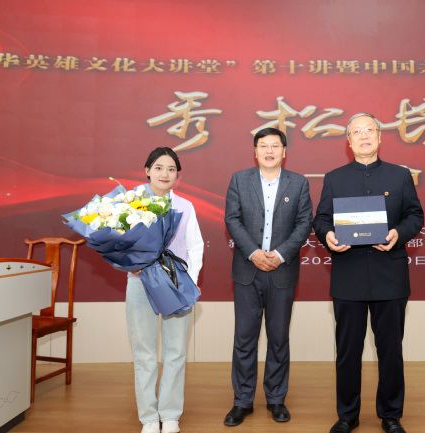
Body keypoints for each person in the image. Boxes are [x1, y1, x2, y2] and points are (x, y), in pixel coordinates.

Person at [312, 113, 424, 433]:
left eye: (369, 130)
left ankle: (391, 415)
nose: (363, 136)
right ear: (348, 141)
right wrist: (328, 236)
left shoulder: (400, 175)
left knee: (390, 351)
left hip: (390, 276)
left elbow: (415, 216)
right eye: (357, 132)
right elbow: (321, 220)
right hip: (348, 276)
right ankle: (347, 415)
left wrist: (398, 234)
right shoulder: (334, 178)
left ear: (380, 136)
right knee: (348, 352)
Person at [223, 127, 313, 426]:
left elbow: (304, 223)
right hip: (247, 271)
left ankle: (276, 398)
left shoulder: (298, 183)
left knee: (278, 338)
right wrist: (253, 253)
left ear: (284, 151)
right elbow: (232, 219)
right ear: (255, 151)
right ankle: (242, 401)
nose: (269, 151)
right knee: (244, 339)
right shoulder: (240, 179)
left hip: (282, 271)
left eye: (275, 146)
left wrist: (280, 254)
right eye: (263, 146)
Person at [126, 147, 204, 433]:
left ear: (177, 175)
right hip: (139, 284)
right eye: (159, 168)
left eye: (171, 169)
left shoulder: (184, 206)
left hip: (176, 285)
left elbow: (196, 246)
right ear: (147, 170)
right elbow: (118, 242)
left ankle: (170, 415)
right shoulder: (131, 203)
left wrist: (189, 282)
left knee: (175, 352)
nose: (165, 174)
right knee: (144, 352)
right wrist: (128, 263)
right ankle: (149, 417)